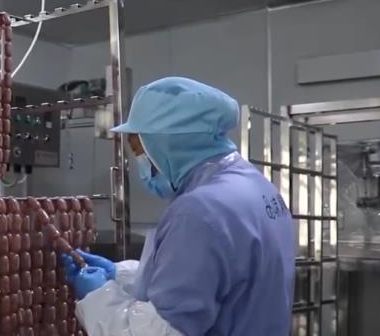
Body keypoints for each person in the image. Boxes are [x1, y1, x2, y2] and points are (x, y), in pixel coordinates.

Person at [60, 77, 295, 335]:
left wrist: (98, 297)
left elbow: (159, 331)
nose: (140, 163)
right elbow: (209, 277)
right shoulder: (255, 186)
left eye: (139, 150)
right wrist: (119, 275)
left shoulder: (199, 212)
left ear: (167, 143)